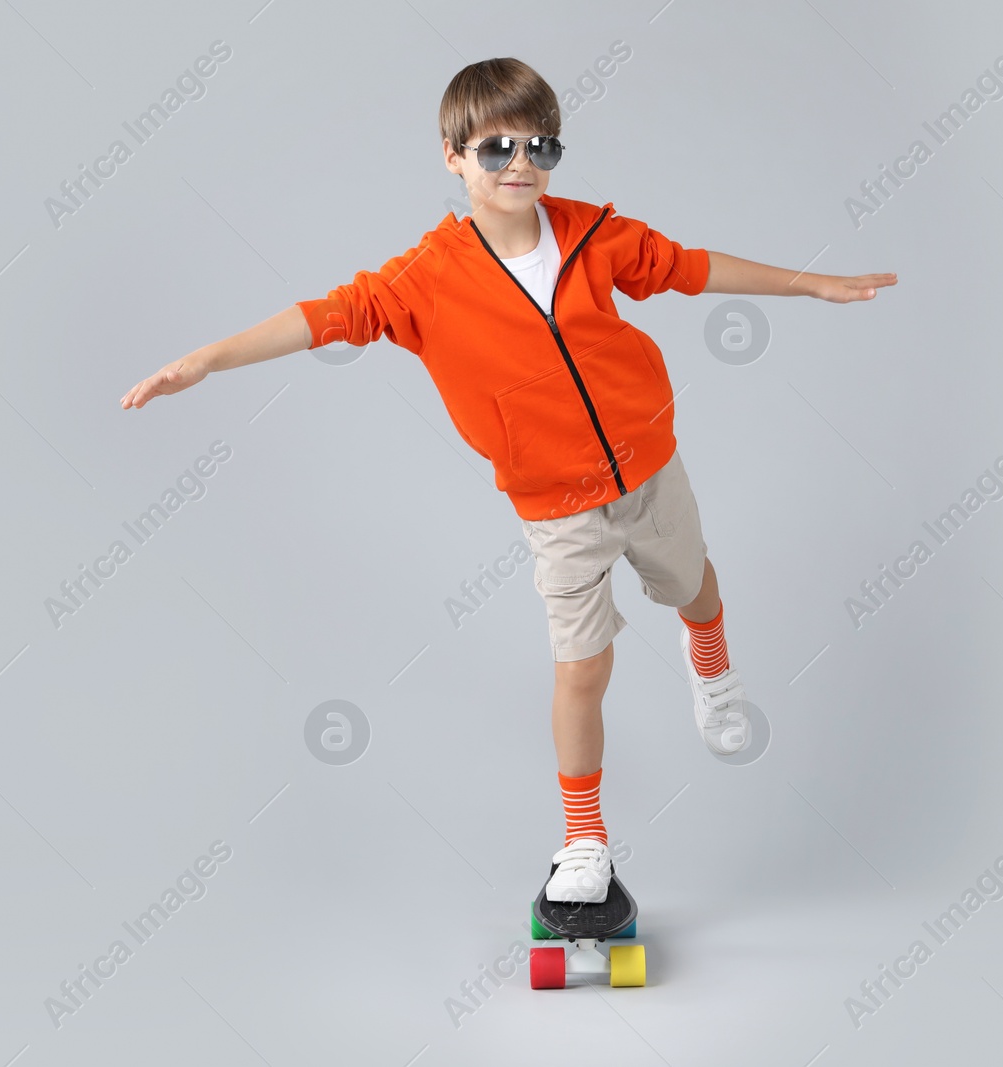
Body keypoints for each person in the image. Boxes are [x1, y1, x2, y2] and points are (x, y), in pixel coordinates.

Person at [121, 57, 896, 905]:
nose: (521, 162)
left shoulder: (595, 235)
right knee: (581, 670)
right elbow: (321, 317)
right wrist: (203, 360)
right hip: (558, 509)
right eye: (496, 149)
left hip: (648, 465)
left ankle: (711, 666)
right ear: (452, 157)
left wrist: (810, 283)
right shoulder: (425, 278)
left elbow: (692, 267)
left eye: (541, 144)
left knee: (696, 586)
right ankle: (583, 837)